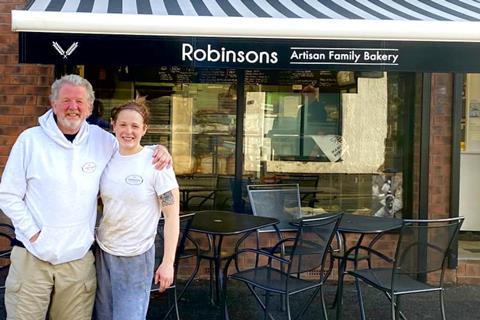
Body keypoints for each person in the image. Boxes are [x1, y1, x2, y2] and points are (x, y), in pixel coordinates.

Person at [0, 74, 172, 320]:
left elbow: (132, 148)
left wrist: (159, 151)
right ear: (54, 103)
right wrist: (33, 232)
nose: (73, 107)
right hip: (32, 256)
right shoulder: (30, 141)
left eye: (80, 101)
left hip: (77, 262)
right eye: (67, 100)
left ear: (90, 108)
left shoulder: (102, 140)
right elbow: (8, 194)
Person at [94, 97, 180, 320]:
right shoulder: (106, 156)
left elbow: (172, 217)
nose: (128, 131)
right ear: (113, 125)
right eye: (123, 124)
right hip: (104, 251)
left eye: (135, 126)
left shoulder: (157, 164)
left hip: (136, 256)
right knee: (103, 316)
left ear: (145, 129)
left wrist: (168, 263)